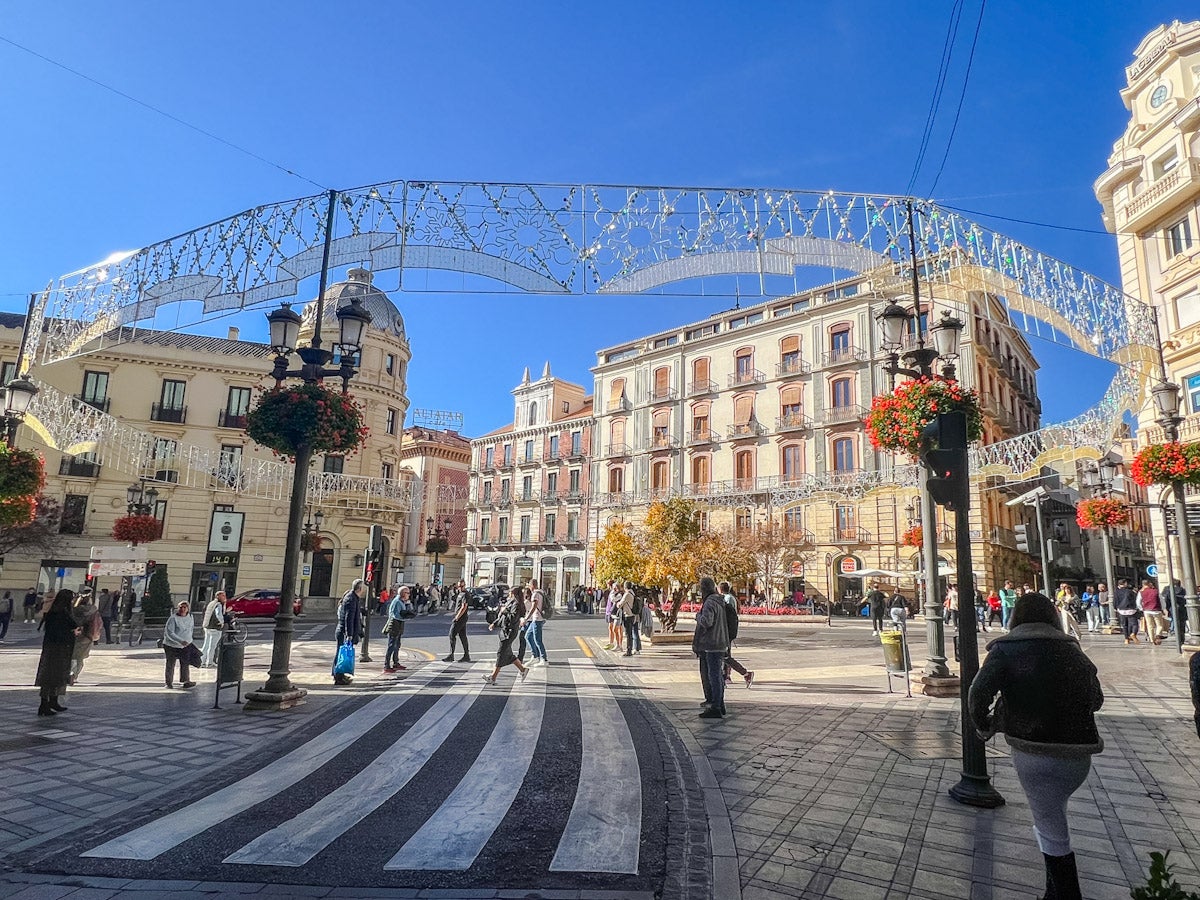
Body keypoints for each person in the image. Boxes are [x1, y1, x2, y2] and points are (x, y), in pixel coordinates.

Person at [969, 593, 1103, 900]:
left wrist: (984, 724)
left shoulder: (1006, 648)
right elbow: (1095, 700)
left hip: (1036, 751)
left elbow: (977, 694)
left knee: (1050, 825)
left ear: (1016, 617)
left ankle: (1066, 894)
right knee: (1053, 816)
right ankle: (1053, 892)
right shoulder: (1072, 649)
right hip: (1079, 754)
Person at [36, 589, 78, 715]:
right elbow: (62, 631)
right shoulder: (60, 613)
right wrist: (72, 633)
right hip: (57, 649)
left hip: (53, 648)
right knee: (51, 676)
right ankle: (45, 704)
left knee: (54, 676)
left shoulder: (55, 612)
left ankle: (52, 701)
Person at [693, 577, 730, 719]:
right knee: (718, 676)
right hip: (721, 642)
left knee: (713, 676)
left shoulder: (709, 602)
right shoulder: (719, 601)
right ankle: (719, 704)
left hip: (712, 644)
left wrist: (698, 616)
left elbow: (707, 622)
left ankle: (715, 706)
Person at [483, 594, 530, 684]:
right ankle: (523, 670)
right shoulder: (511, 602)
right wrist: (495, 623)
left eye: (511, 592)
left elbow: (512, 618)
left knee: (501, 653)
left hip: (510, 632)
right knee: (508, 654)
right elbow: (502, 617)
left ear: (515, 593)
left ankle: (493, 677)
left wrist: (505, 611)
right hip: (505, 631)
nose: (509, 594)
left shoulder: (516, 604)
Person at [720, 581, 753, 687]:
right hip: (728, 631)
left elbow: (725, 615)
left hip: (726, 631)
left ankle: (740, 674)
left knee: (725, 656)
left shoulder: (727, 598)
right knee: (725, 655)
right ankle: (727, 676)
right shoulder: (731, 597)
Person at [333, 579, 366, 684]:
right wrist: (350, 634)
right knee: (341, 654)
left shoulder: (353, 598)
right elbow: (349, 618)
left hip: (344, 631)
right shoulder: (351, 599)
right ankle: (338, 677)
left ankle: (340, 675)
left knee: (342, 654)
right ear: (360, 588)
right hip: (344, 632)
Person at [162, 600, 196, 690]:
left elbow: (190, 629)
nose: (183, 609)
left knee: (185, 663)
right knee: (170, 663)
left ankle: (186, 681)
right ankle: (168, 682)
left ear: (188, 609)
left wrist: (189, 640)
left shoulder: (190, 617)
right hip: (171, 645)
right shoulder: (173, 618)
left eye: (185, 607)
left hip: (185, 645)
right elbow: (170, 632)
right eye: (181, 607)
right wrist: (180, 641)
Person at [69, 592, 101, 684]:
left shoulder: (73, 610)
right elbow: (98, 624)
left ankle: (70, 672)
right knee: (80, 658)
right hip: (87, 637)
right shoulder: (94, 611)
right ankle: (75, 675)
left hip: (74, 636)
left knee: (72, 656)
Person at [383, 585, 410, 672]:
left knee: (397, 644)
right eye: (407, 593)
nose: (408, 594)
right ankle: (387, 665)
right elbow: (396, 615)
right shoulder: (397, 601)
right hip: (395, 624)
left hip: (399, 624)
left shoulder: (401, 601)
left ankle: (395, 662)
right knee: (392, 645)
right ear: (402, 593)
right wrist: (406, 614)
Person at [524, 579, 548, 666]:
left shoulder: (535, 594)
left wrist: (526, 619)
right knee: (528, 636)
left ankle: (544, 659)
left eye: (529, 586)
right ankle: (535, 656)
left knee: (537, 640)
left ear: (532, 585)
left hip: (537, 619)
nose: (529, 588)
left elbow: (534, 607)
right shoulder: (541, 592)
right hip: (538, 619)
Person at [200, 590, 226, 668]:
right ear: (218, 596)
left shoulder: (211, 603)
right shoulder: (218, 604)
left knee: (206, 645)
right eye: (223, 596)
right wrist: (222, 623)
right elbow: (219, 614)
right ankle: (210, 662)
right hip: (215, 627)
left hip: (207, 626)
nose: (224, 597)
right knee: (212, 646)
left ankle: (202, 662)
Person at [444, 587, 471, 662]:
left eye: (462, 586)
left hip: (461, 618)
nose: (460, 588)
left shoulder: (465, 594)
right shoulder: (460, 593)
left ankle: (451, 655)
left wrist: (457, 617)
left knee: (452, 634)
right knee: (463, 636)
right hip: (461, 617)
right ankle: (466, 655)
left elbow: (464, 607)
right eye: (459, 586)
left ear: (464, 586)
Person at [1138, 579, 1166, 645]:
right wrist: (1163, 608)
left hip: (1147, 611)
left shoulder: (1141, 592)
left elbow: (1138, 602)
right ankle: (1158, 635)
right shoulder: (1156, 591)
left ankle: (1152, 640)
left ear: (1143, 585)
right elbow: (1162, 601)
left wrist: (1142, 609)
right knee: (1159, 625)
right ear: (1149, 584)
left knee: (1150, 626)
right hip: (1156, 610)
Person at [1113, 578, 1140, 644]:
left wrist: (1115, 608)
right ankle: (1133, 633)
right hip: (1131, 609)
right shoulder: (1130, 591)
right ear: (1125, 583)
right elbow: (1135, 600)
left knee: (1124, 625)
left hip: (1121, 610)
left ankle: (1126, 639)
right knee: (1134, 624)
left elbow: (1115, 600)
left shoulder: (1116, 592)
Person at [617, 580, 637, 657]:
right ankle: (630, 649)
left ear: (625, 587)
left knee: (628, 634)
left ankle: (629, 650)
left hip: (628, 615)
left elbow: (620, 604)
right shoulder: (632, 593)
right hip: (632, 615)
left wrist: (617, 604)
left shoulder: (627, 594)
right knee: (630, 633)